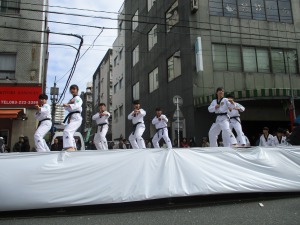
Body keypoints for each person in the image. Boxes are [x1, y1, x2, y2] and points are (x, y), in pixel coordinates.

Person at [62, 84, 83, 151]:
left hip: (77, 118)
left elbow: (77, 105)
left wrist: (68, 104)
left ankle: (70, 147)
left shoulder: (78, 98)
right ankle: (74, 147)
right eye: (71, 89)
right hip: (72, 118)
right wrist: (69, 103)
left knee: (67, 131)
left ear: (77, 90)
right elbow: (66, 108)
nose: (72, 90)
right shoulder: (72, 99)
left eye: (74, 89)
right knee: (70, 133)